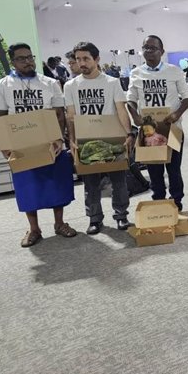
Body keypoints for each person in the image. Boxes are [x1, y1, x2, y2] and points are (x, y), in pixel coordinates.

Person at [0, 43, 76, 247]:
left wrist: (58, 138)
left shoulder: (50, 83)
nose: (28, 61)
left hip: (50, 142)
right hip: (21, 145)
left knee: (57, 184)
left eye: (30, 57)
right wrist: (4, 145)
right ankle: (34, 229)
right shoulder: (2, 85)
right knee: (28, 187)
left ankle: (59, 223)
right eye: (22, 58)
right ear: (13, 61)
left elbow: (59, 114)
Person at [64, 42, 135, 234]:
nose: (82, 63)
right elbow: (70, 116)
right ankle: (95, 219)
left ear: (96, 59)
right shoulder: (70, 86)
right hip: (85, 141)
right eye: (78, 59)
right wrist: (71, 140)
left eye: (86, 58)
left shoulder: (111, 83)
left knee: (119, 181)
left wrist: (128, 134)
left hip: (113, 139)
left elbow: (121, 109)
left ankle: (121, 216)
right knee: (91, 184)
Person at [127, 35, 188, 211]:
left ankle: (176, 202)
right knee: (154, 171)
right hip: (149, 131)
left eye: (153, 48)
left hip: (172, 129)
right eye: (145, 47)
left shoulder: (174, 71)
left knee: (173, 169)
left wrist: (177, 114)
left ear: (162, 52)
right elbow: (131, 100)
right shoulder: (136, 73)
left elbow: (187, 97)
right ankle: (159, 201)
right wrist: (135, 117)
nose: (148, 51)